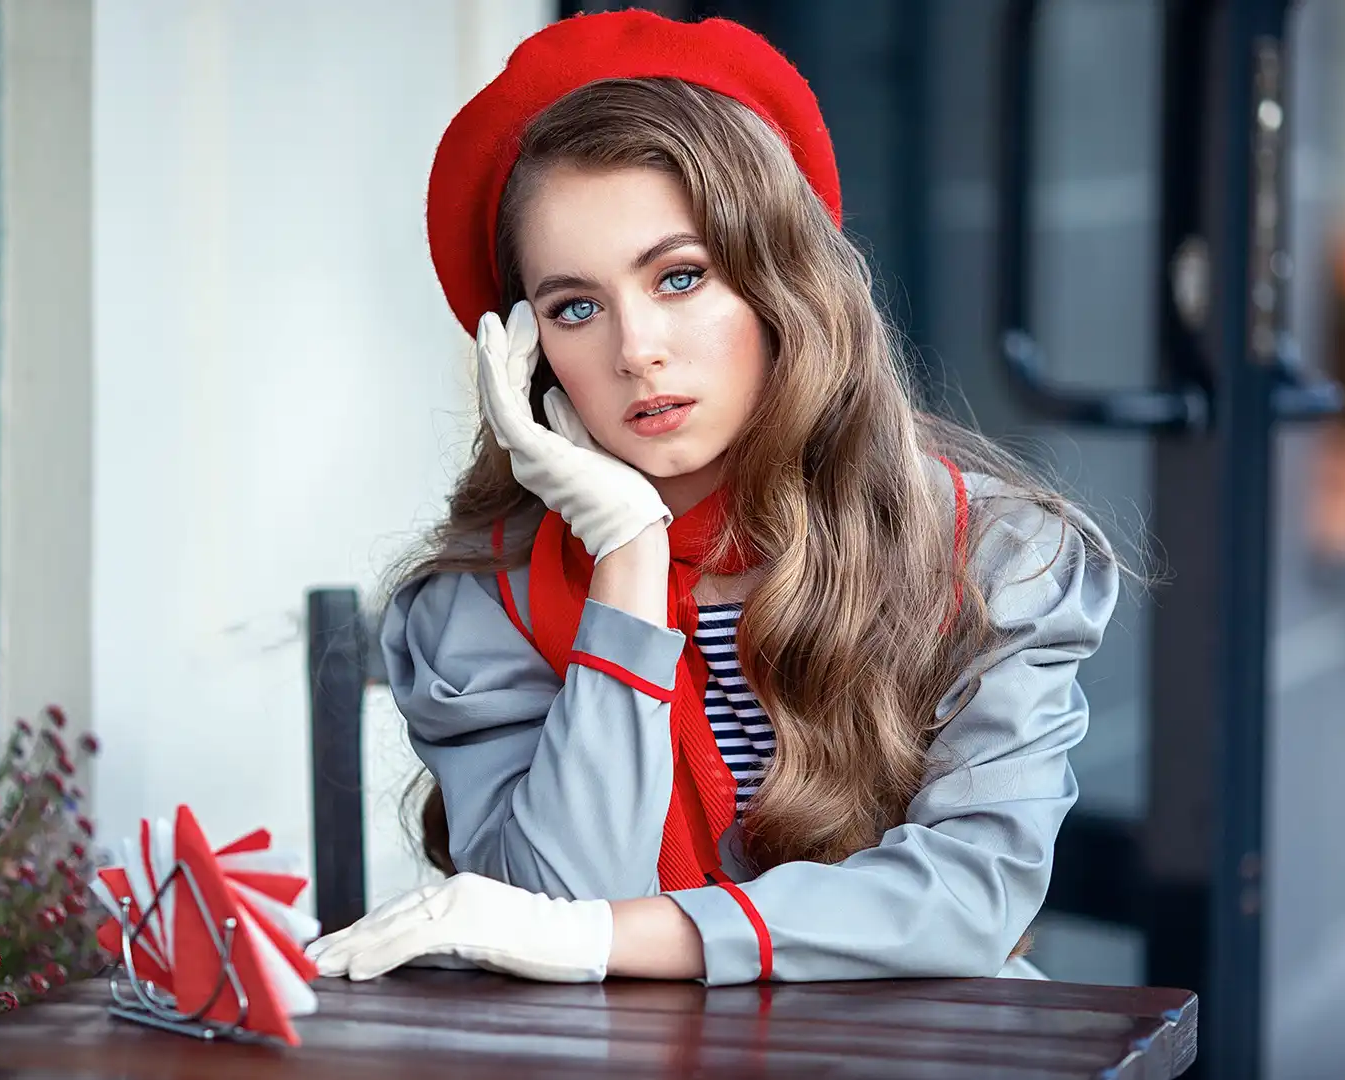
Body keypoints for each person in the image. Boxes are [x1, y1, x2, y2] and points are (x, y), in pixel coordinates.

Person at [304, 10, 1122, 988]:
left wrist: (617, 939)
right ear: (527, 355)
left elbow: (967, 898)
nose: (635, 347)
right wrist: (629, 560)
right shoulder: (480, 608)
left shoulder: (992, 557)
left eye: (681, 277)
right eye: (575, 306)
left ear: (786, 282)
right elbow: (560, 902)